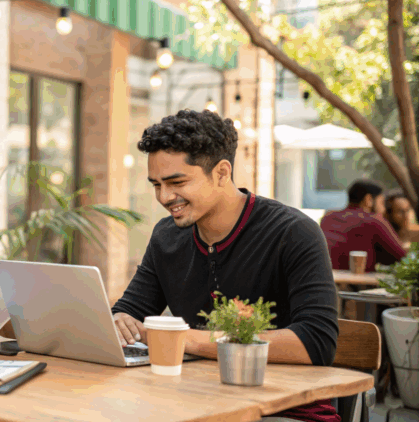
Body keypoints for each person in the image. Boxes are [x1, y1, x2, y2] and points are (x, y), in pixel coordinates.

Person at [111, 109, 341, 422]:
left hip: (285, 411)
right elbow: (128, 312)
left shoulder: (293, 232)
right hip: (194, 404)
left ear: (221, 173)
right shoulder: (166, 237)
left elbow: (315, 343)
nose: (165, 197)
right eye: (156, 184)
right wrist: (118, 321)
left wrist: (183, 338)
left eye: (177, 182)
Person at [320, 179, 406, 271]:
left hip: (326, 277)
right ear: (368, 199)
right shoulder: (373, 220)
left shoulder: (328, 217)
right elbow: (401, 256)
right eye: (381, 203)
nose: (383, 209)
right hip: (356, 282)